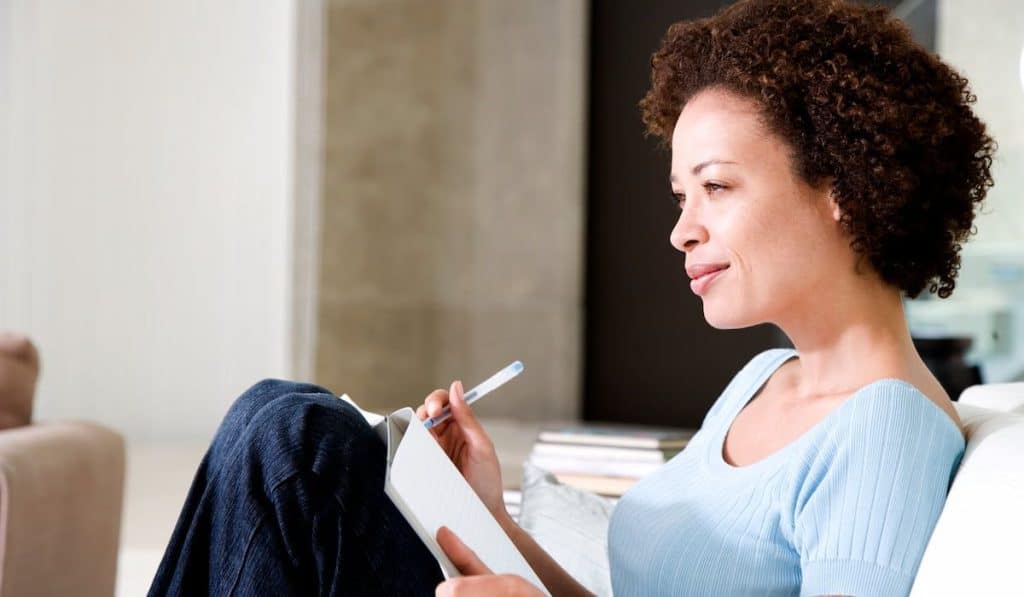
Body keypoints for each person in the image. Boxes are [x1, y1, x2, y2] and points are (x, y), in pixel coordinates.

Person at [148, 0, 995, 595]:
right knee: (284, 415)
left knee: (299, 442)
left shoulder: (886, 428)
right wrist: (489, 519)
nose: (683, 230)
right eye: (679, 197)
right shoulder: (765, 377)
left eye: (717, 187)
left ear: (840, 186)